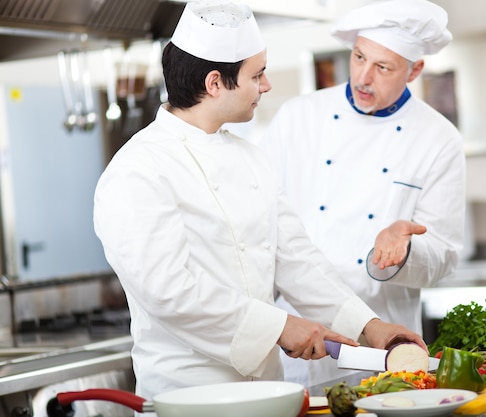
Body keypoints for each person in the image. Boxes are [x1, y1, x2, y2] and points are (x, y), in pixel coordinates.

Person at [93, 0, 428, 406]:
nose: (266, 85)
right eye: (257, 74)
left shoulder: (251, 158)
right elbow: (169, 291)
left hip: (271, 395)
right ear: (215, 83)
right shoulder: (138, 169)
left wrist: (370, 326)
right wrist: (279, 327)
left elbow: (297, 260)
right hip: (190, 400)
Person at [259, 0, 466, 386]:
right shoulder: (297, 118)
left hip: (383, 344)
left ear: (414, 70)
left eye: (383, 67)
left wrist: (406, 252)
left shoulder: (438, 139)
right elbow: (262, 224)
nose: (363, 77)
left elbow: (445, 256)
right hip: (299, 337)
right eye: (358, 57)